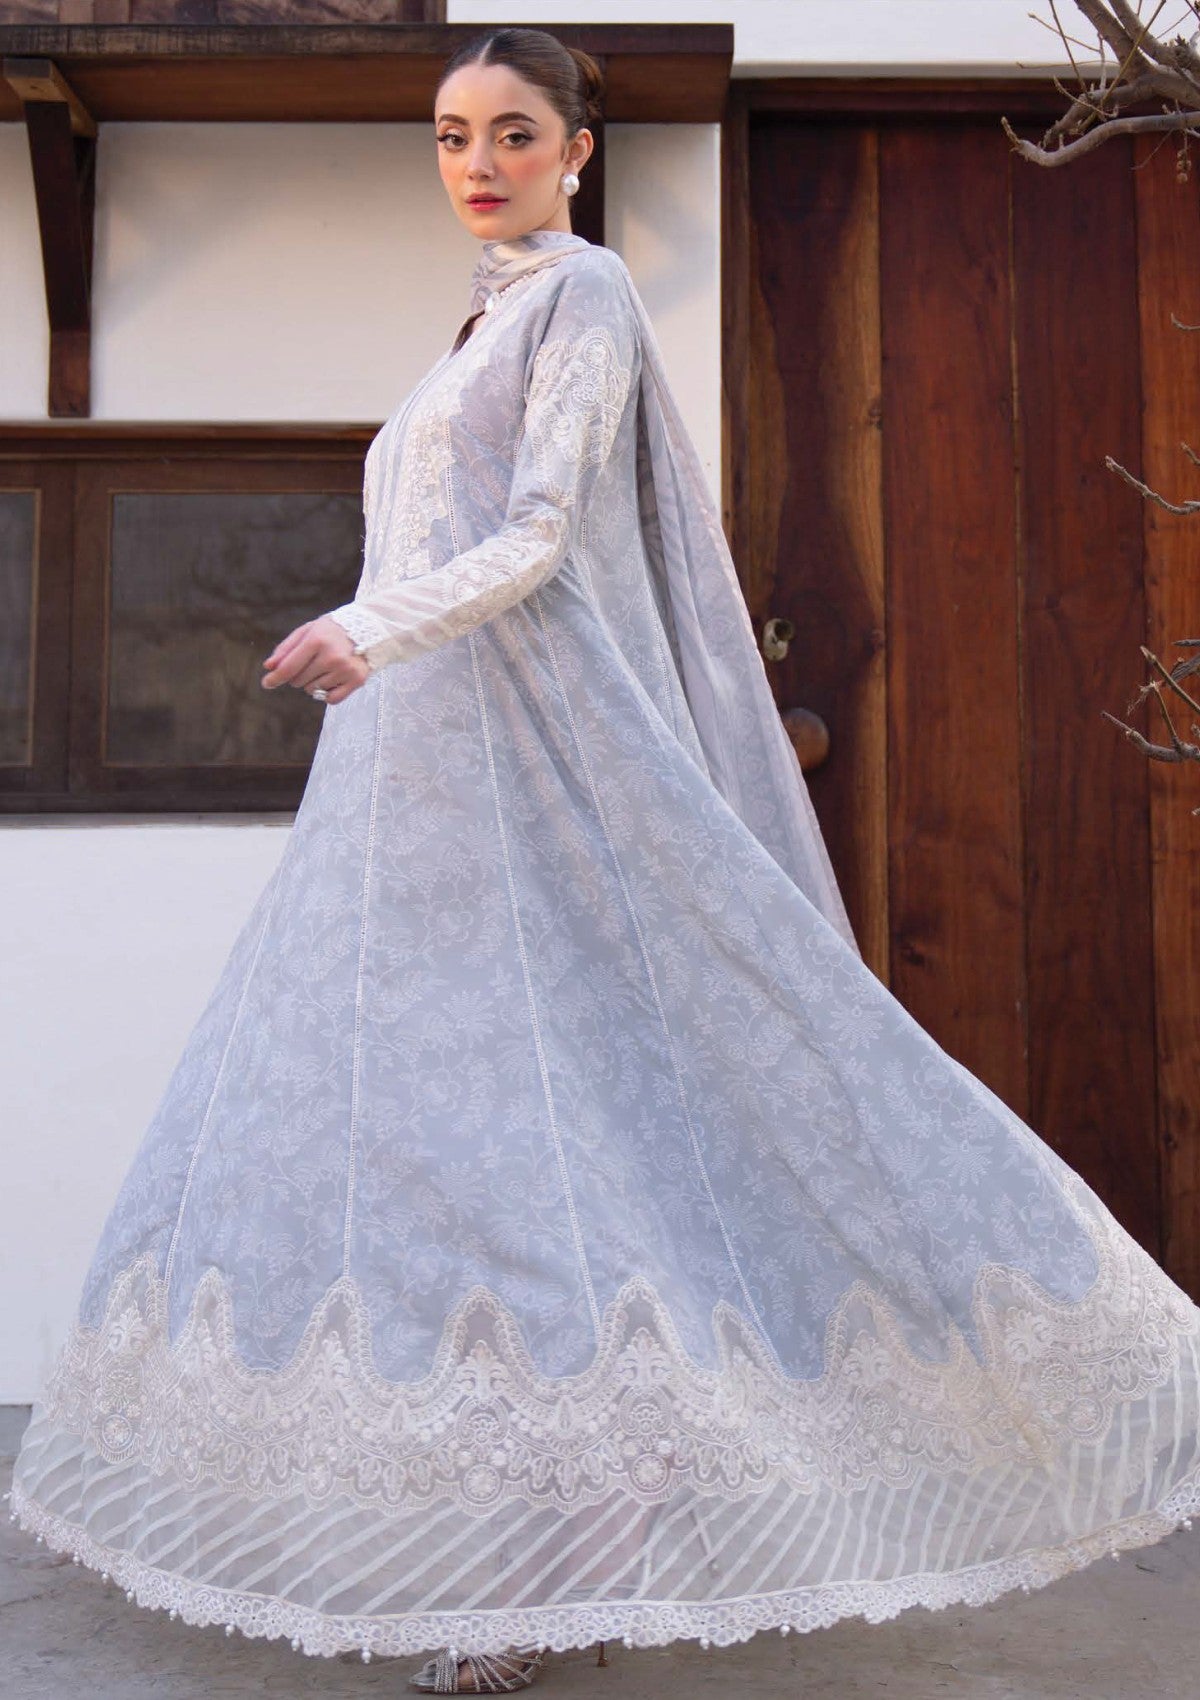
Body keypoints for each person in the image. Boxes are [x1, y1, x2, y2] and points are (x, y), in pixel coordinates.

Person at [9, 23, 1200, 1698]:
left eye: (512, 131)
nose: (477, 162)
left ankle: (586, 1559)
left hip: (530, 783)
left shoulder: (585, 296)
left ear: (577, 148)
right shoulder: (478, 323)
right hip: (414, 802)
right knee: (452, 1157)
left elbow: (542, 536)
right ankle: (532, 1547)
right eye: (450, 134)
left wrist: (369, 626)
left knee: (588, 1139)